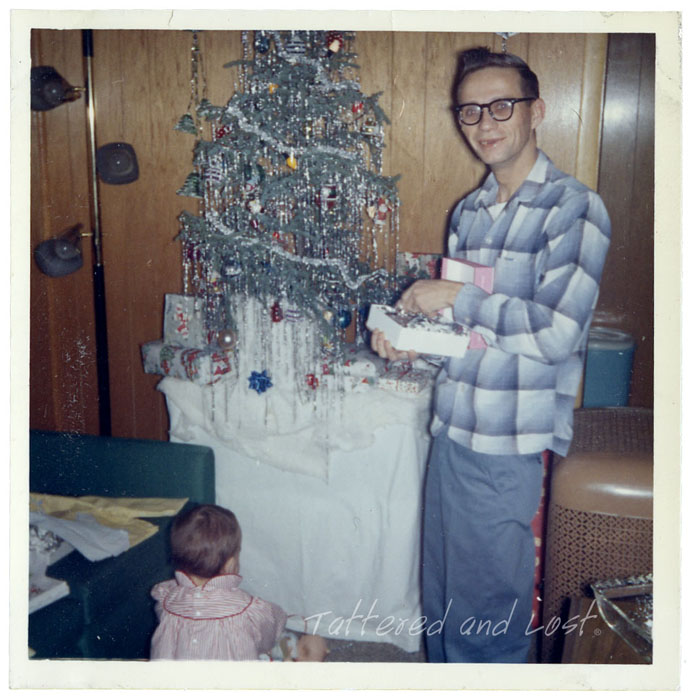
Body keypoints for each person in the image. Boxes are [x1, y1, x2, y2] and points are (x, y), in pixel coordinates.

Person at [372, 46, 611, 663]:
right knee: (443, 603)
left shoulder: (574, 208)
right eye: (470, 110)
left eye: (502, 106)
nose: (485, 123)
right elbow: (465, 337)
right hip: (451, 431)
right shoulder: (470, 212)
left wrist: (457, 296)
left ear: (537, 112)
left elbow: (557, 333)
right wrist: (410, 343)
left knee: (486, 622)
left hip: (506, 445)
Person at [150, 503, 329, 661]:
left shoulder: (166, 599)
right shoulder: (248, 610)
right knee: (285, 646)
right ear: (230, 564)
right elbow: (270, 634)